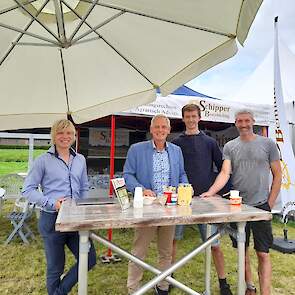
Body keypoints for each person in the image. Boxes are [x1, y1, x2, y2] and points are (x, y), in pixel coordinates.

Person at [201, 110, 282, 295]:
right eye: (239, 121)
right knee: (242, 252)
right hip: (238, 206)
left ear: (253, 121)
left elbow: (278, 175)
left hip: (261, 205)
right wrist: (210, 192)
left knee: (263, 253)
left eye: (247, 120)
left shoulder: (268, 144)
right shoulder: (230, 146)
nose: (243, 124)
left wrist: (269, 204)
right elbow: (224, 173)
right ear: (235, 123)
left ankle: (266, 292)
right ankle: (250, 286)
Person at [22, 119, 96, 295]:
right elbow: (28, 190)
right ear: (53, 136)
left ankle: (58, 293)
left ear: (74, 136)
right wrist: (52, 203)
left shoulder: (80, 159)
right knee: (56, 268)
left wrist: (84, 212)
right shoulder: (43, 161)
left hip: (76, 219)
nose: (65, 136)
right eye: (60, 133)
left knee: (89, 258)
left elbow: (84, 187)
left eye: (69, 133)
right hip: (52, 219)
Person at [172, 103, 233, 295]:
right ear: (183, 119)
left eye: (193, 116)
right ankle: (168, 278)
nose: (190, 120)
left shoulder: (209, 142)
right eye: (187, 116)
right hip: (181, 201)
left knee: (214, 245)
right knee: (172, 242)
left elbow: (223, 170)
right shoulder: (176, 143)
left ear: (199, 118)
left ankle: (223, 283)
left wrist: (214, 190)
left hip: (205, 201)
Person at [124, 114, 188, 295]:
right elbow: (128, 175)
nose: (160, 130)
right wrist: (141, 188)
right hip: (147, 207)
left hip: (169, 207)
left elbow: (182, 174)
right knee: (138, 251)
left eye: (164, 127)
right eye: (157, 127)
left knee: (166, 251)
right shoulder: (136, 149)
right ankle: (133, 289)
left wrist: (184, 187)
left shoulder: (176, 150)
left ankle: (163, 287)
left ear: (168, 130)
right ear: (151, 130)